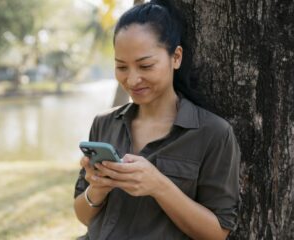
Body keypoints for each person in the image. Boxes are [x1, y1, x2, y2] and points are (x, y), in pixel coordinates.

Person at [73, 0, 240, 239]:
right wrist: (98, 188)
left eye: (145, 65)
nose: (131, 80)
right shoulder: (104, 123)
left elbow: (217, 233)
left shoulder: (213, 133)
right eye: (121, 67)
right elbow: (83, 216)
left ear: (176, 57)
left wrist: (159, 186)